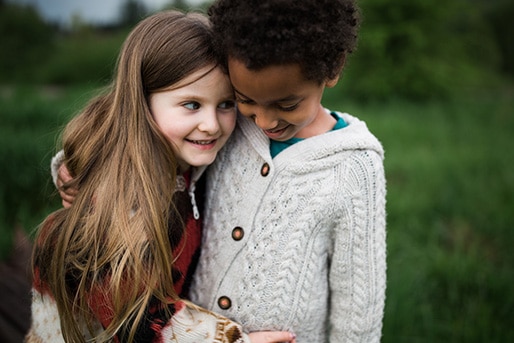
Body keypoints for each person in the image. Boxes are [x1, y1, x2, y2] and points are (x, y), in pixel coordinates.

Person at [54, 0, 387, 341]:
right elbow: (137, 119)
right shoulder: (230, 124)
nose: (266, 121)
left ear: (333, 70)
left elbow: (358, 298)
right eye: (244, 99)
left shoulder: (354, 165)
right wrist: (85, 172)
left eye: (287, 105)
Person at [26, 10, 295, 343]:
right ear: (142, 102)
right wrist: (235, 341)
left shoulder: (168, 157)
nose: (211, 124)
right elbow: (134, 317)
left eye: (226, 104)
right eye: (192, 105)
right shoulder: (122, 204)